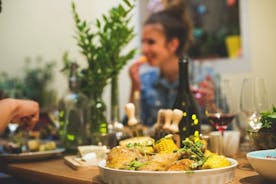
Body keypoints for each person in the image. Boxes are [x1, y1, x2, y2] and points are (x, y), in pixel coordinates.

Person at [128, 0, 215, 127]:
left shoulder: (204, 77)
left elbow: (228, 130)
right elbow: (131, 127)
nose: (144, 49)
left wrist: (210, 106)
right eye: (143, 42)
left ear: (173, 44)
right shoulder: (145, 80)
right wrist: (134, 88)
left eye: (151, 42)